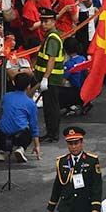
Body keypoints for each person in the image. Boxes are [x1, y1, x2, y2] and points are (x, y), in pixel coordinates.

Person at [33, 8, 64, 142]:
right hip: (49, 78)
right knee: (49, 106)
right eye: (42, 21)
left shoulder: (52, 38)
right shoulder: (50, 36)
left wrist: (45, 77)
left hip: (51, 78)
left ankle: (53, 133)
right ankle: (51, 132)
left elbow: (51, 59)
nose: (43, 24)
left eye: (46, 21)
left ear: (53, 22)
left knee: (51, 107)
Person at [0, 73, 41, 163]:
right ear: (28, 86)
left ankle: (2, 150)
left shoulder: (6, 96)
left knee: (5, 125)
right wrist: (37, 145)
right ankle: (21, 148)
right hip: (19, 134)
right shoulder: (30, 103)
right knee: (28, 129)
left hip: (2, 133)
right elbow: (34, 125)